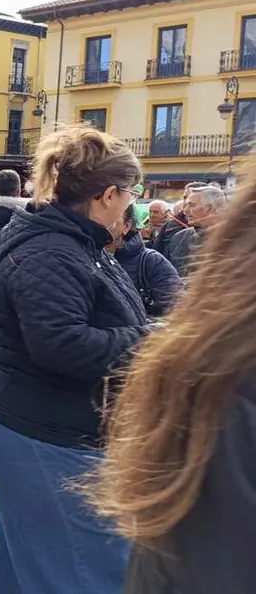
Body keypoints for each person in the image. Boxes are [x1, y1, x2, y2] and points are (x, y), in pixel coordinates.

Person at [0, 125, 148, 594]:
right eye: (131, 193)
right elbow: (62, 343)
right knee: (91, 572)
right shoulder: (53, 250)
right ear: (110, 194)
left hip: (35, 423)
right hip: (45, 432)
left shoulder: (77, 242)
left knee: (17, 560)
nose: (132, 202)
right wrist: (155, 340)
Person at [93, 167, 256, 594]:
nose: (190, 214)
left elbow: (175, 305)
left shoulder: (151, 258)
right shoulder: (225, 378)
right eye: (191, 208)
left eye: (196, 209)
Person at [107, 205, 182, 318]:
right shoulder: (81, 256)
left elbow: (176, 311)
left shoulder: (152, 261)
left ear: (126, 226)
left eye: (109, 219)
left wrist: (139, 329)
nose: (99, 224)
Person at [167, 184, 226, 277]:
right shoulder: (179, 238)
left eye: (191, 205)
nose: (185, 210)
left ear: (210, 208)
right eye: (185, 205)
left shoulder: (236, 239)